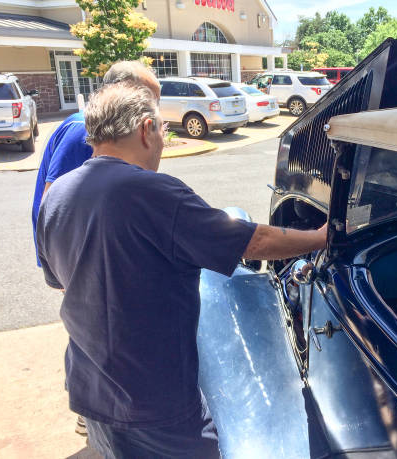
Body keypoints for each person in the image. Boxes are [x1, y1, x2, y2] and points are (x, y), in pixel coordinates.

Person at [35, 81, 326, 458]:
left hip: (91, 393)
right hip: (154, 403)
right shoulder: (154, 193)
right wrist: (320, 237)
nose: (162, 142)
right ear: (145, 129)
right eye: (162, 131)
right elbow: (254, 243)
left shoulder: (56, 194)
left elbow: (59, 279)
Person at [31, 60, 161, 267]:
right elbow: (55, 206)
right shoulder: (85, 130)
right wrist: (67, 272)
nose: (155, 110)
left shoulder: (120, 131)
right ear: (120, 92)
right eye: (150, 100)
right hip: (74, 259)